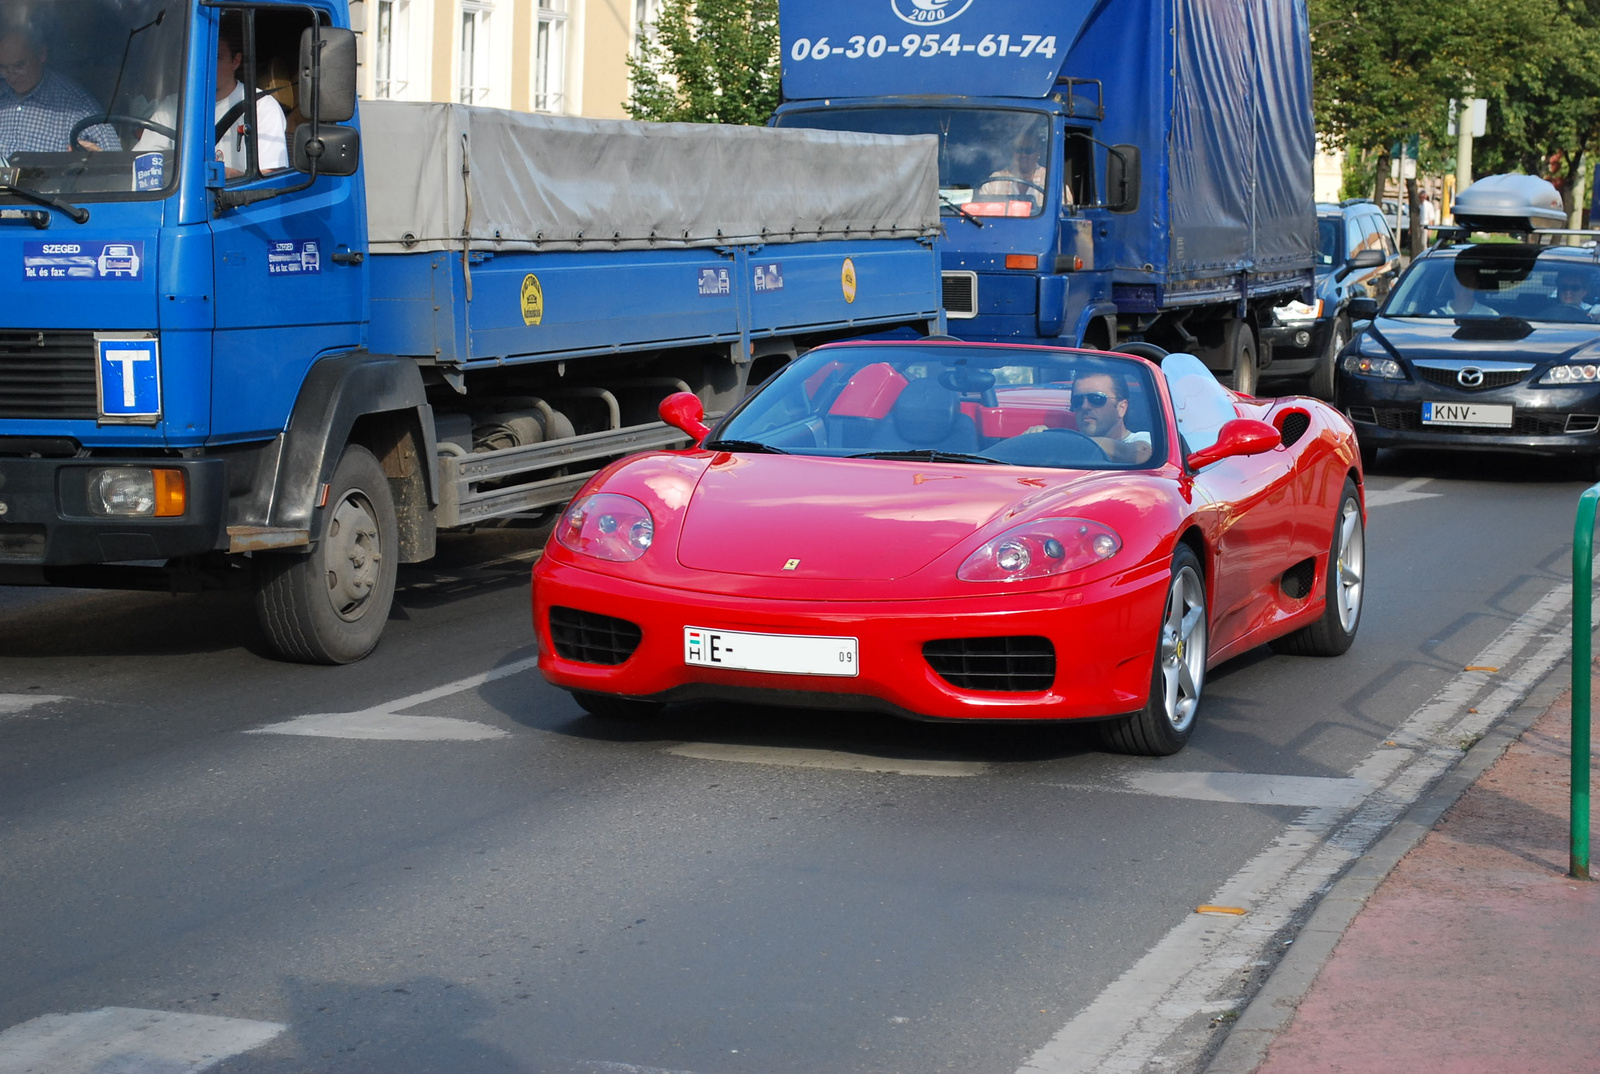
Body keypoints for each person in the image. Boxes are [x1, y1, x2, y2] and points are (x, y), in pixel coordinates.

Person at [0, 25, 118, 155]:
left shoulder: (77, 106)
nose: (11, 75)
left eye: (19, 65)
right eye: (3, 67)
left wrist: (99, 158)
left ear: (41, 54)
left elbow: (115, 160)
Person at [214, 15, 287, 178]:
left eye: (217, 57)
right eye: (204, 56)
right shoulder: (173, 106)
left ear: (236, 61)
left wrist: (231, 176)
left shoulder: (262, 106)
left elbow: (271, 177)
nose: (209, 64)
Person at [1070, 367, 1152, 464]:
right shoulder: (1068, 445)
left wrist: (1059, 443)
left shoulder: (1144, 438)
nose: (1085, 406)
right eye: (1077, 400)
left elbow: (1139, 454)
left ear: (1121, 408)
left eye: (1096, 398)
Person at [979, 132, 1050, 210]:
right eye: (1019, 150)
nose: (1023, 155)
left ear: (1038, 153)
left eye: (1028, 150)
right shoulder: (995, 181)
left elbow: (1060, 212)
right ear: (1012, 152)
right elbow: (981, 211)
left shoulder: (1050, 179)